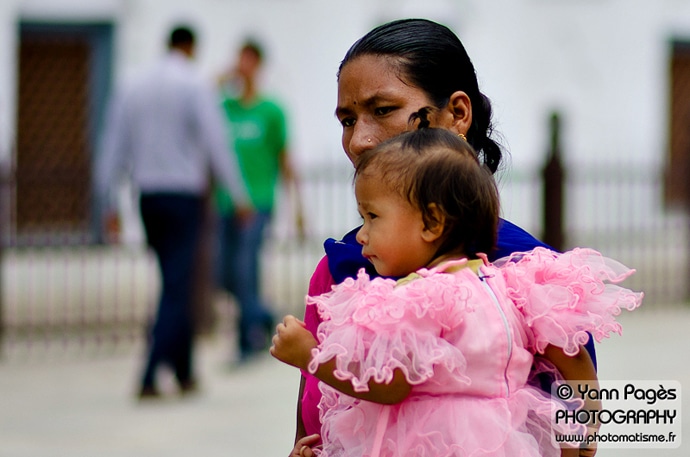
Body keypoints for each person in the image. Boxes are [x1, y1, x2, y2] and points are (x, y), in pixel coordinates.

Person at [285, 18, 601, 456]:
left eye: (382, 110)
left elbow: (580, 414)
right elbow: (312, 424)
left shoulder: (527, 277)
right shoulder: (340, 272)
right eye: (346, 119)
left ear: (457, 114)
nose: (359, 141)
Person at [271, 125, 643, 456]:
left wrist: (311, 355)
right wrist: (583, 434)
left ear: (432, 222)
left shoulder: (416, 298)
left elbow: (388, 387)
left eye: (373, 217)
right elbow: (575, 360)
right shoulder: (512, 285)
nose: (362, 235)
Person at [96, 25, 251, 399]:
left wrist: (108, 202)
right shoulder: (194, 84)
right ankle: (150, 374)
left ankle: (184, 372)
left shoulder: (132, 84)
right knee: (178, 284)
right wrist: (238, 194)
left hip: (148, 196)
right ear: (191, 47)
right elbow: (217, 142)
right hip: (184, 196)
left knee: (174, 280)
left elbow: (113, 144)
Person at [215, 38, 305, 361]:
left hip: (259, 202)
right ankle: (263, 314)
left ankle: (247, 341)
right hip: (224, 203)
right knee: (220, 272)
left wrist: (298, 207)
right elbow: (196, 104)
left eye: (250, 60)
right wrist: (220, 80)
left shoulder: (272, 111)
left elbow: (285, 158)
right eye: (240, 60)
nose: (243, 67)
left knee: (244, 269)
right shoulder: (224, 107)